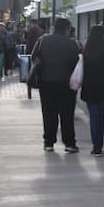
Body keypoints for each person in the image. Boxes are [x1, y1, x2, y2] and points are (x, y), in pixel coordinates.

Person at [31, 17, 82, 152]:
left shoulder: (43, 40)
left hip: (46, 82)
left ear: (54, 27)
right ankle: (69, 143)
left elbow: (34, 57)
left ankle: (49, 142)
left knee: (48, 112)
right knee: (67, 114)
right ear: (67, 29)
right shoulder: (73, 44)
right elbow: (77, 63)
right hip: (66, 83)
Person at [80, 25, 104, 156]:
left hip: (90, 87)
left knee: (94, 117)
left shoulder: (86, 47)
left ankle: (97, 147)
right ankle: (99, 145)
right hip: (103, 87)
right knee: (100, 116)